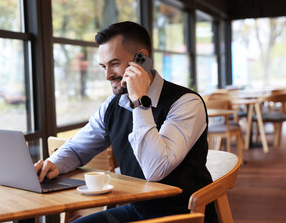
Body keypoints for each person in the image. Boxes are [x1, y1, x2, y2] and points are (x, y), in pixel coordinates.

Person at [34, 21, 217, 223]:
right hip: (137, 210)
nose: (107, 75)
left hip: (183, 216)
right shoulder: (112, 106)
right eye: (103, 66)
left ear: (142, 58)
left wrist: (140, 102)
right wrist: (53, 163)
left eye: (114, 64)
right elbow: (78, 149)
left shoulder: (186, 103)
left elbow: (155, 170)